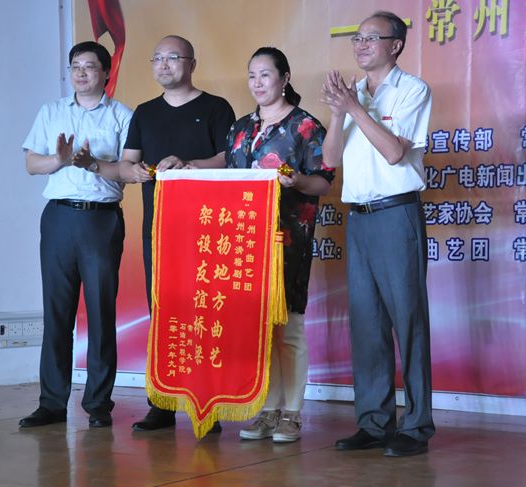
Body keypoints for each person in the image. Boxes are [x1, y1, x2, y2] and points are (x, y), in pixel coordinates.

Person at [320, 11, 435, 456]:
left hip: (395, 215)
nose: (361, 45)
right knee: (367, 323)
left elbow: (393, 153)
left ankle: (417, 426)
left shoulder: (412, 90)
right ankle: (373, 421)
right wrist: (338, 114)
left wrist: (354, 109)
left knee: (408, 319)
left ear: (396, 45)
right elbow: (331, 160)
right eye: (357, 38)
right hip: (359, 219)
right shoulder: (353, 94)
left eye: (372, 38)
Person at [117, 35, 236, 432]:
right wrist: (133, 172)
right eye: (158, 59)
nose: (164, 65)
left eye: (173, 58)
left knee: (205, 312)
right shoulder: (145, 113)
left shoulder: (216, 108)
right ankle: (162, 403)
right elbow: (127, 163)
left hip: (206, 228)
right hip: (159, 229)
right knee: (163, 312)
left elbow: (229, 159)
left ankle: (208, 405)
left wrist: (189, 164)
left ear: (192, 64)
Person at [19, 41, 132, 428]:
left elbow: (128, 170)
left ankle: (98, 403)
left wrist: (92, 163)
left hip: (101, 220)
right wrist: (60, 160)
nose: (81, 73)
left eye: (89, 66)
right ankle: (51, 403)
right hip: (59, 218)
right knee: (56, 312)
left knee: (101, 312)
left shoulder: (122, 115)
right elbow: (31, 163)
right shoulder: (51, 111)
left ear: (106, 73)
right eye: (75, 66)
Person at [227, 47, 334, 443]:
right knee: (259, 328)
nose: (257, 83)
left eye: (265, 74)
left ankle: (292, 412)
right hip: (246, 239)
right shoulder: (240, 128)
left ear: (285, 78)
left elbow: (324, 182)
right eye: (252, 75)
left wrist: (296, 181)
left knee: (289, 327)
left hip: (288, 240)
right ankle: (267, 409)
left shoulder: (305, 126)